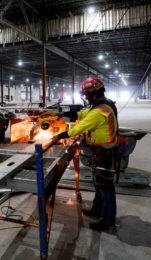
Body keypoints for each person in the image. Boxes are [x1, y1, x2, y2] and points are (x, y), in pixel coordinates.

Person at [52, 77, 119, 232]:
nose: (86, 98)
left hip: (105, 153)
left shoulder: (98, 112)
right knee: (98, 184)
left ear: (95, 94)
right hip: (100, 152)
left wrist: (60, 136)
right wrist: (63, 114)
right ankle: (97, 210)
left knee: (106, 188)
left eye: (87, 95)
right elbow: (83, 114)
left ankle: (108, 222)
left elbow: (80, 127)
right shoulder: (103, 104)